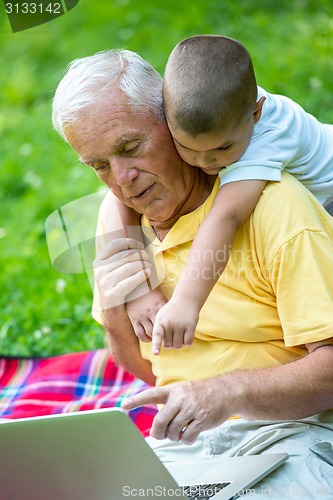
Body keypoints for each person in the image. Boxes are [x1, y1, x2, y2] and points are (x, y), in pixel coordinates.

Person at [52, 49, 333, 498]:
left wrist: (226, 393)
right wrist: (113, 308)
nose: (122, 179)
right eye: (100, 165)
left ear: (170, 120)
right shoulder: (124, 228)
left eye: (131, 148)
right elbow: (151, 371)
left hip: (291, 436)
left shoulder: (275, 207)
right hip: (186, 448)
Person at [107, 35, 333, 356]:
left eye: (222, 149)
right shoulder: (218, 114)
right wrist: (138, 283)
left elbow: (226, 219)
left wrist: (186, 300)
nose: (206, 162)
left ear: (255, 113)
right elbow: (115, 199)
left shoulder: (267, 139)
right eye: (187, 148)